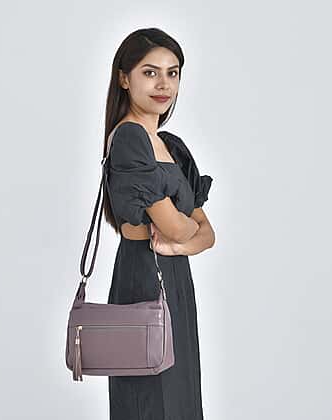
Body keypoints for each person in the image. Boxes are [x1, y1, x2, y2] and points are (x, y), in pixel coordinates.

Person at [102, 27, 215, 420]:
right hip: (144, 276)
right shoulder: (130, 138)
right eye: (150, 72)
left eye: (173, 73)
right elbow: (181, 228)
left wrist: (182, 240)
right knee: (151, 398)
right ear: (124, 78)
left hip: (175, 275)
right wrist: (185, 234)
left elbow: (208, 233)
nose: (164, 84)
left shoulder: (172, 145)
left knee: (181, 394)